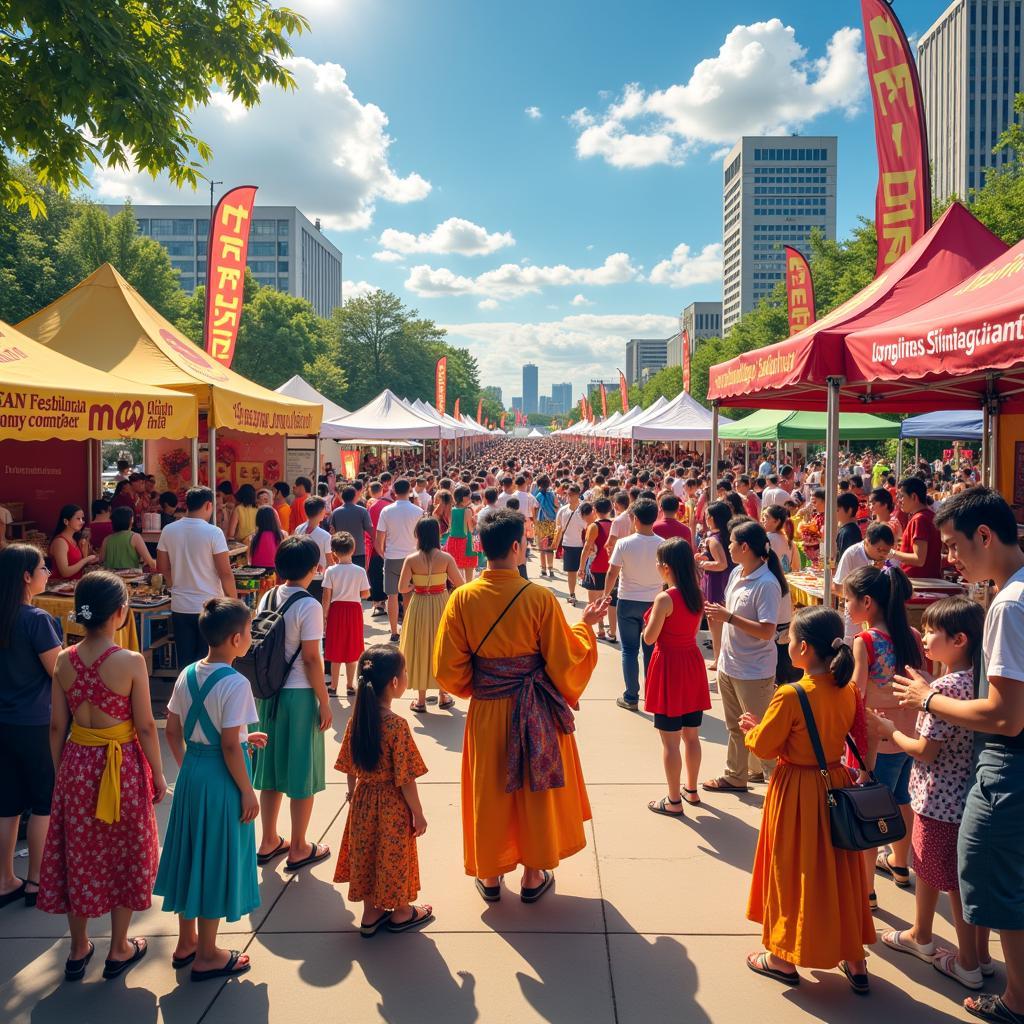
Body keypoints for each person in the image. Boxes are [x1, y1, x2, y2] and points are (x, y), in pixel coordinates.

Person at [893, 487, 1024, 1023]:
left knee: (994, 879)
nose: (948, 557)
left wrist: (929, 698)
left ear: (985, 536)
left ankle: (1015, 1000)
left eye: (953, 545)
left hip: (1007, 765)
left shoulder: (1009, 606)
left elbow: (1004, 715)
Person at [433, 510, 607, 903]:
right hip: (534, 709)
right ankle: (533, 873)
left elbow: (447, 668)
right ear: (516, 546)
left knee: (490, 789)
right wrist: (585, 625)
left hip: (488, 709)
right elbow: (565, 659)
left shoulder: (462, 598)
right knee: (534, 787)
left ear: (481, 546)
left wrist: (477, 685)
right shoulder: (539, 598)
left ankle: (491, 875)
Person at [38, 572, 164, 981]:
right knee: (123, 850)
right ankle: (120, 947)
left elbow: (57, 726)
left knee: (80, 853)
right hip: (121, 765)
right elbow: (145, 725)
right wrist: (158, 775)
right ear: (120, 612)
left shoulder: (63, 660)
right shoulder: (129, 662)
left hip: (77, 762)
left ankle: (77, 948)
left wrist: (64, 775)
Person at [741, 606, 874, 991]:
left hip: (798, 789)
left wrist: (752, 730)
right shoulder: (846, 688)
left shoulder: (791, 694)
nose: (786, 645)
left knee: (794, 870)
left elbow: (766, 747)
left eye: (790, 640)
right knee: (840, 874)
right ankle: (855, 958)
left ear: (803, 648)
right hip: (837, 781)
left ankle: (783, 958)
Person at [872, 597, 993, 990]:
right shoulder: (981, 680)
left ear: (958, 639)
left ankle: (965, 962)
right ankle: (969, 952)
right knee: (958, 877)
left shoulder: (942, 689)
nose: (923, 638)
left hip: (938, 797)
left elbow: (926, 750)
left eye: (930, 632)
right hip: (968, 794)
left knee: (944, 878)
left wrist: (889, 732)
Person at [154, 598, 264, 981]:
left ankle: (187, 943)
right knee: (216, 859)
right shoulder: (236, 682)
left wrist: (194, 766)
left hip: (193, 774)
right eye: (249, 632)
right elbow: (231, 745)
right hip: (223, 779)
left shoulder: (187, 673)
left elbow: (172, 730)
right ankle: (208, 953)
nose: (250, 638)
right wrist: (248, 790)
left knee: (190, 855)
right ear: (236, 639)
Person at [334, 645, 432, 934]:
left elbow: (350, 768)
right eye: (404, 673)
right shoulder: (396, 725)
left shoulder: (356, 720)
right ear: (394, 683)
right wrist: (418, 813)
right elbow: (406, 778)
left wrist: (354, 795)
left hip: (363, 799)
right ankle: (402, 911)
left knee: (367, 853)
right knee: (393, 855)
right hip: (391, 803)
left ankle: (370, 912)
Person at [253, 536, 332, 874]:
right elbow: (312, 659)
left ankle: (268, 839)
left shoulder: (268, 596)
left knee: (270, 770)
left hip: (267, 695)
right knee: (302, 772)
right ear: (314, 569)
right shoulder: (309, 604)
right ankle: (299, 846)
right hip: (299, 695)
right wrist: (325, 702)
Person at [846, 563, 922, 910]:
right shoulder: (913, 636)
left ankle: (865, 892)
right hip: (909, 736)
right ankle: (900, 864)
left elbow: (857, 696)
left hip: (878, 742)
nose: (845, 606)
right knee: (903, 801)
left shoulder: (866, 641)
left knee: (871, 811)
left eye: (848, 600)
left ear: (866, 602)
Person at [0, 544, 62, 909]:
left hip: (4, 722)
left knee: (6, 805)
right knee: (43, 802)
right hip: (35, 721)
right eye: (42, 567)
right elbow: (57, 670)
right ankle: (37, 880)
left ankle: (6, 879)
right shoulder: (35, 619)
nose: (47, 573)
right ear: (26, 576)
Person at [703, 519, 784, 793]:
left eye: (731, 544)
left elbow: (766, 630)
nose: (728, 548)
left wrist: (729, 617)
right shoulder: (738, 573)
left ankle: (776, 785)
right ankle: (737, 774)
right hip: (731, 663)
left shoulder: (767, 584)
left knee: (762, 730)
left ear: (744, 547)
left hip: (754, 669)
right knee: (735, 726)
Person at [642, 538, 709, 816]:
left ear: (666, 567)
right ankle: (691, 790)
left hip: (669, 665)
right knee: (691, 736)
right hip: (691, 663)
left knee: (670, 741)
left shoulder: (666, 598)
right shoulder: (696, 594)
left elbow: (649, 638)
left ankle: (673, 799)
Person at [157, 487, 238, 669]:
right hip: (209, 606)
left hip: (180, 605)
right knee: (208, 663)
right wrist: (234, 603)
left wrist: (174, 585)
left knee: (186, 665)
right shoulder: (214, 532)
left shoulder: (169, 530)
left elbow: (161, 566)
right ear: (208, 505)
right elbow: (225, 572)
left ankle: (186, 696)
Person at [399, 517, 464, 714]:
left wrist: (416, 585)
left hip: (419, 603)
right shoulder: (446, 558)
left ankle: (420, 700)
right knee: (441, 647)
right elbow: (461, 584)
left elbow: (401, 588)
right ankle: (443, 694)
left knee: (419, 647)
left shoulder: (411, 559)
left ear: (417, 535)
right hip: (440, 603)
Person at [604, 499, 663, 711]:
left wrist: (605, 594)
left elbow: (613, 572)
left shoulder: (624, 543)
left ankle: (631, 696)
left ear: (635, 519)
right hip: (654, 603)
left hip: (628, 600)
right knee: (650, 651)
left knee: (629, 650)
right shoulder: (662, 543)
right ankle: (652, 696)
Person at [321, 532, 370, 697]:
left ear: (334, 551)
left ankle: (334, 686)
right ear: (353, 549)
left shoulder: (330, 571)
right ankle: (350, 685)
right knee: (352, 648)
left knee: (335, 649)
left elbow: (326, 595)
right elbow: (366, 594)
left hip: (336, 610)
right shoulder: (359, 571)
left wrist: (324, 616)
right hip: (354, 610)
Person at [376, 479, 424, 643]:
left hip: (392, 557)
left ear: (394, 491)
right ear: (410, 490)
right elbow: (421, 537)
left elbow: (379, 539)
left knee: (392, 595)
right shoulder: (418, 511)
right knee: (408, 593)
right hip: (412, 556)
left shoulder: (386, 511)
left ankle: (394, 631)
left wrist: (384, 554)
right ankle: (407, 627)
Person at [832, 523, 895, 638]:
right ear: (866, 542)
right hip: (855, 613)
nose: (882, 554)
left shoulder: (888, 558)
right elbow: (837, 587)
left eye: (886, 551)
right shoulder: (852, 554)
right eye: (879, 550)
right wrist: (857, 600)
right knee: (853, 642)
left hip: (878, 614)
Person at [695, 501, 734, 672]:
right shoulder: (729, 534)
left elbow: (721, 564)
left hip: (716, 584)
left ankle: (718, 659)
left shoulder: (713, 539)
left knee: (715, 624)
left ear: (711, 518)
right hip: (728, 581)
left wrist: (703, 564)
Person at [891, 476, 943, 579]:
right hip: (929, 580)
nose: (899, 501)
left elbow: (919, 559)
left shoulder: (919, 519)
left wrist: (892, 553)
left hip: (919, 583)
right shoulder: (930, 516)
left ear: (914, 497)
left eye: (902, 496)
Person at [579, 497, 613, 641]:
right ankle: (608, 629)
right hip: (612, 566)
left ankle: (598, 629)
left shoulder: (594, 526)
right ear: (610, 509)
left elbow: (587, 548)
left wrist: (581, 567)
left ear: (595, 510)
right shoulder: (614, 524)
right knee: (606, 598)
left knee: (594, 600)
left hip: (595, 566)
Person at [99, 506, 157, 571]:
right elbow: (151, 563)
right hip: (131, 578)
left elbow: (100, 560)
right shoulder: (135, 537)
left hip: (111, 578)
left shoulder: (107, 539)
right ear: (131, 520)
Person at [554, 484, 584, 606]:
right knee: (571, 571)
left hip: (583, 545)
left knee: (583, 572)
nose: (569, 497)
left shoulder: (584, 509)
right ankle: (572, 594)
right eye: (568, 495)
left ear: (578, 495)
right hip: (568, 545)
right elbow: (558, 528)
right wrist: (555, 544)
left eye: (572, 495)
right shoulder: (563, 510)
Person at [329, 486, 374, 570]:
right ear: (355, 496)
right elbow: (370, 530)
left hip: (340, 551)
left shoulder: (335, 512)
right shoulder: (362, 511)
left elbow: (332, 531)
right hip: (359, 551)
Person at [49, 504, 98, 581]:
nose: (82, 522)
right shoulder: (60, 542)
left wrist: (86, 543)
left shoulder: (75, 539)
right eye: (78, 519)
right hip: (60, 587)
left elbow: (81, 564)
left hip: (74, 584)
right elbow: (65, 572)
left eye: (82, 518)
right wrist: (86, 559)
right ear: (66, 521)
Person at [444, 485, 479, 583]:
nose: (470, 498)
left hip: (452, 542)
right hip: (466, 543)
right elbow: (471, 530)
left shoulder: (451, 509)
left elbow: (451, 526)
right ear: (463, 497)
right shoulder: (467, 511)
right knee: (469, 576)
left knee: (456, 576)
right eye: (468, 496)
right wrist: (475, 522)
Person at [293, 495, 331, 574]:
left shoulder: (298, 529)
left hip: (300, 573)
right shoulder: (325, 536)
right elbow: (329, 562)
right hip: (318, 576)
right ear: (321, 511)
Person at [533, 475, 558, 578]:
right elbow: (557, 507)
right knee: (550, 548)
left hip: (541, 524)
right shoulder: (553, 495)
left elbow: (535, 510)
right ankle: (551, 569)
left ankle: (543, 569)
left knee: (542, 548)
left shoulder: (538, 496)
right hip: (551, 523)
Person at [248, 506, 283, 570]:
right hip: (275, 570)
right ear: (273, 519)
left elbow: (249, 559)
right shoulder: (280, 535)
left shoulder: (254, 537)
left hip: (256, 570)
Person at [835, 492, 862, 561]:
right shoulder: (847, 529)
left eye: (837, 510)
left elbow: (846, 560)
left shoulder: (849, 532)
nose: (835, 512)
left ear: (850, 510)